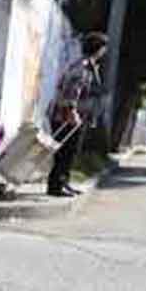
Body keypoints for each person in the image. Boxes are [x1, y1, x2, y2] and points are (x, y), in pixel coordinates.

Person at [47, 32, 108, 197]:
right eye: (103, 47)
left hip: (74, 116)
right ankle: (55, 186)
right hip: (65, 116)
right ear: (99, 49)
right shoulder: (82, 66)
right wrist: (72, 111)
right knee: (64, 151)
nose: (104, 51)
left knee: (70, 151)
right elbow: (72, 89)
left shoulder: (90, 66)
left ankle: (63, 182)